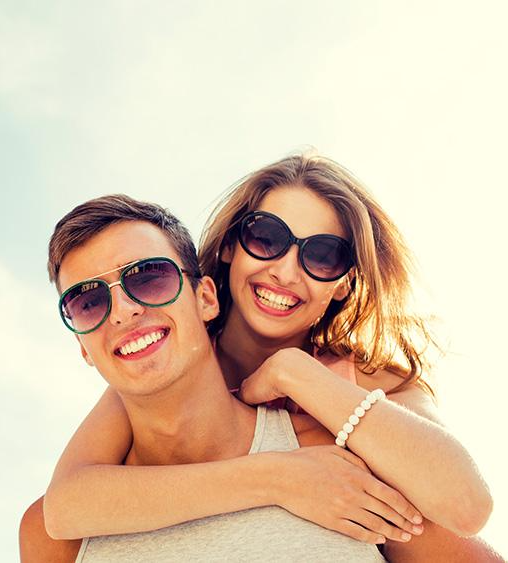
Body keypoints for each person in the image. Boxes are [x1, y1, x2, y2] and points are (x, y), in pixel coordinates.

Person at [20, 152, 501, 561]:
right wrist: (277, 477)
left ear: (343, 284)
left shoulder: (363, 394)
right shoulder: (155, 353)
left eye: (324, 255)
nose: (285, 272)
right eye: (267, 238)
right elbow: (62, 507)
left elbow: (465, 503)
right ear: (230, 247)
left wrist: (298, 375)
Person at [31, 194, 390, 561]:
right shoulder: (55, 536)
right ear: (83, 348)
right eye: (87, 304)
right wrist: (273, 477)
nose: (123, 313)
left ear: (205, 298)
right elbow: (60, 509)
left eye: (149, 278)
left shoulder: (346, 455)